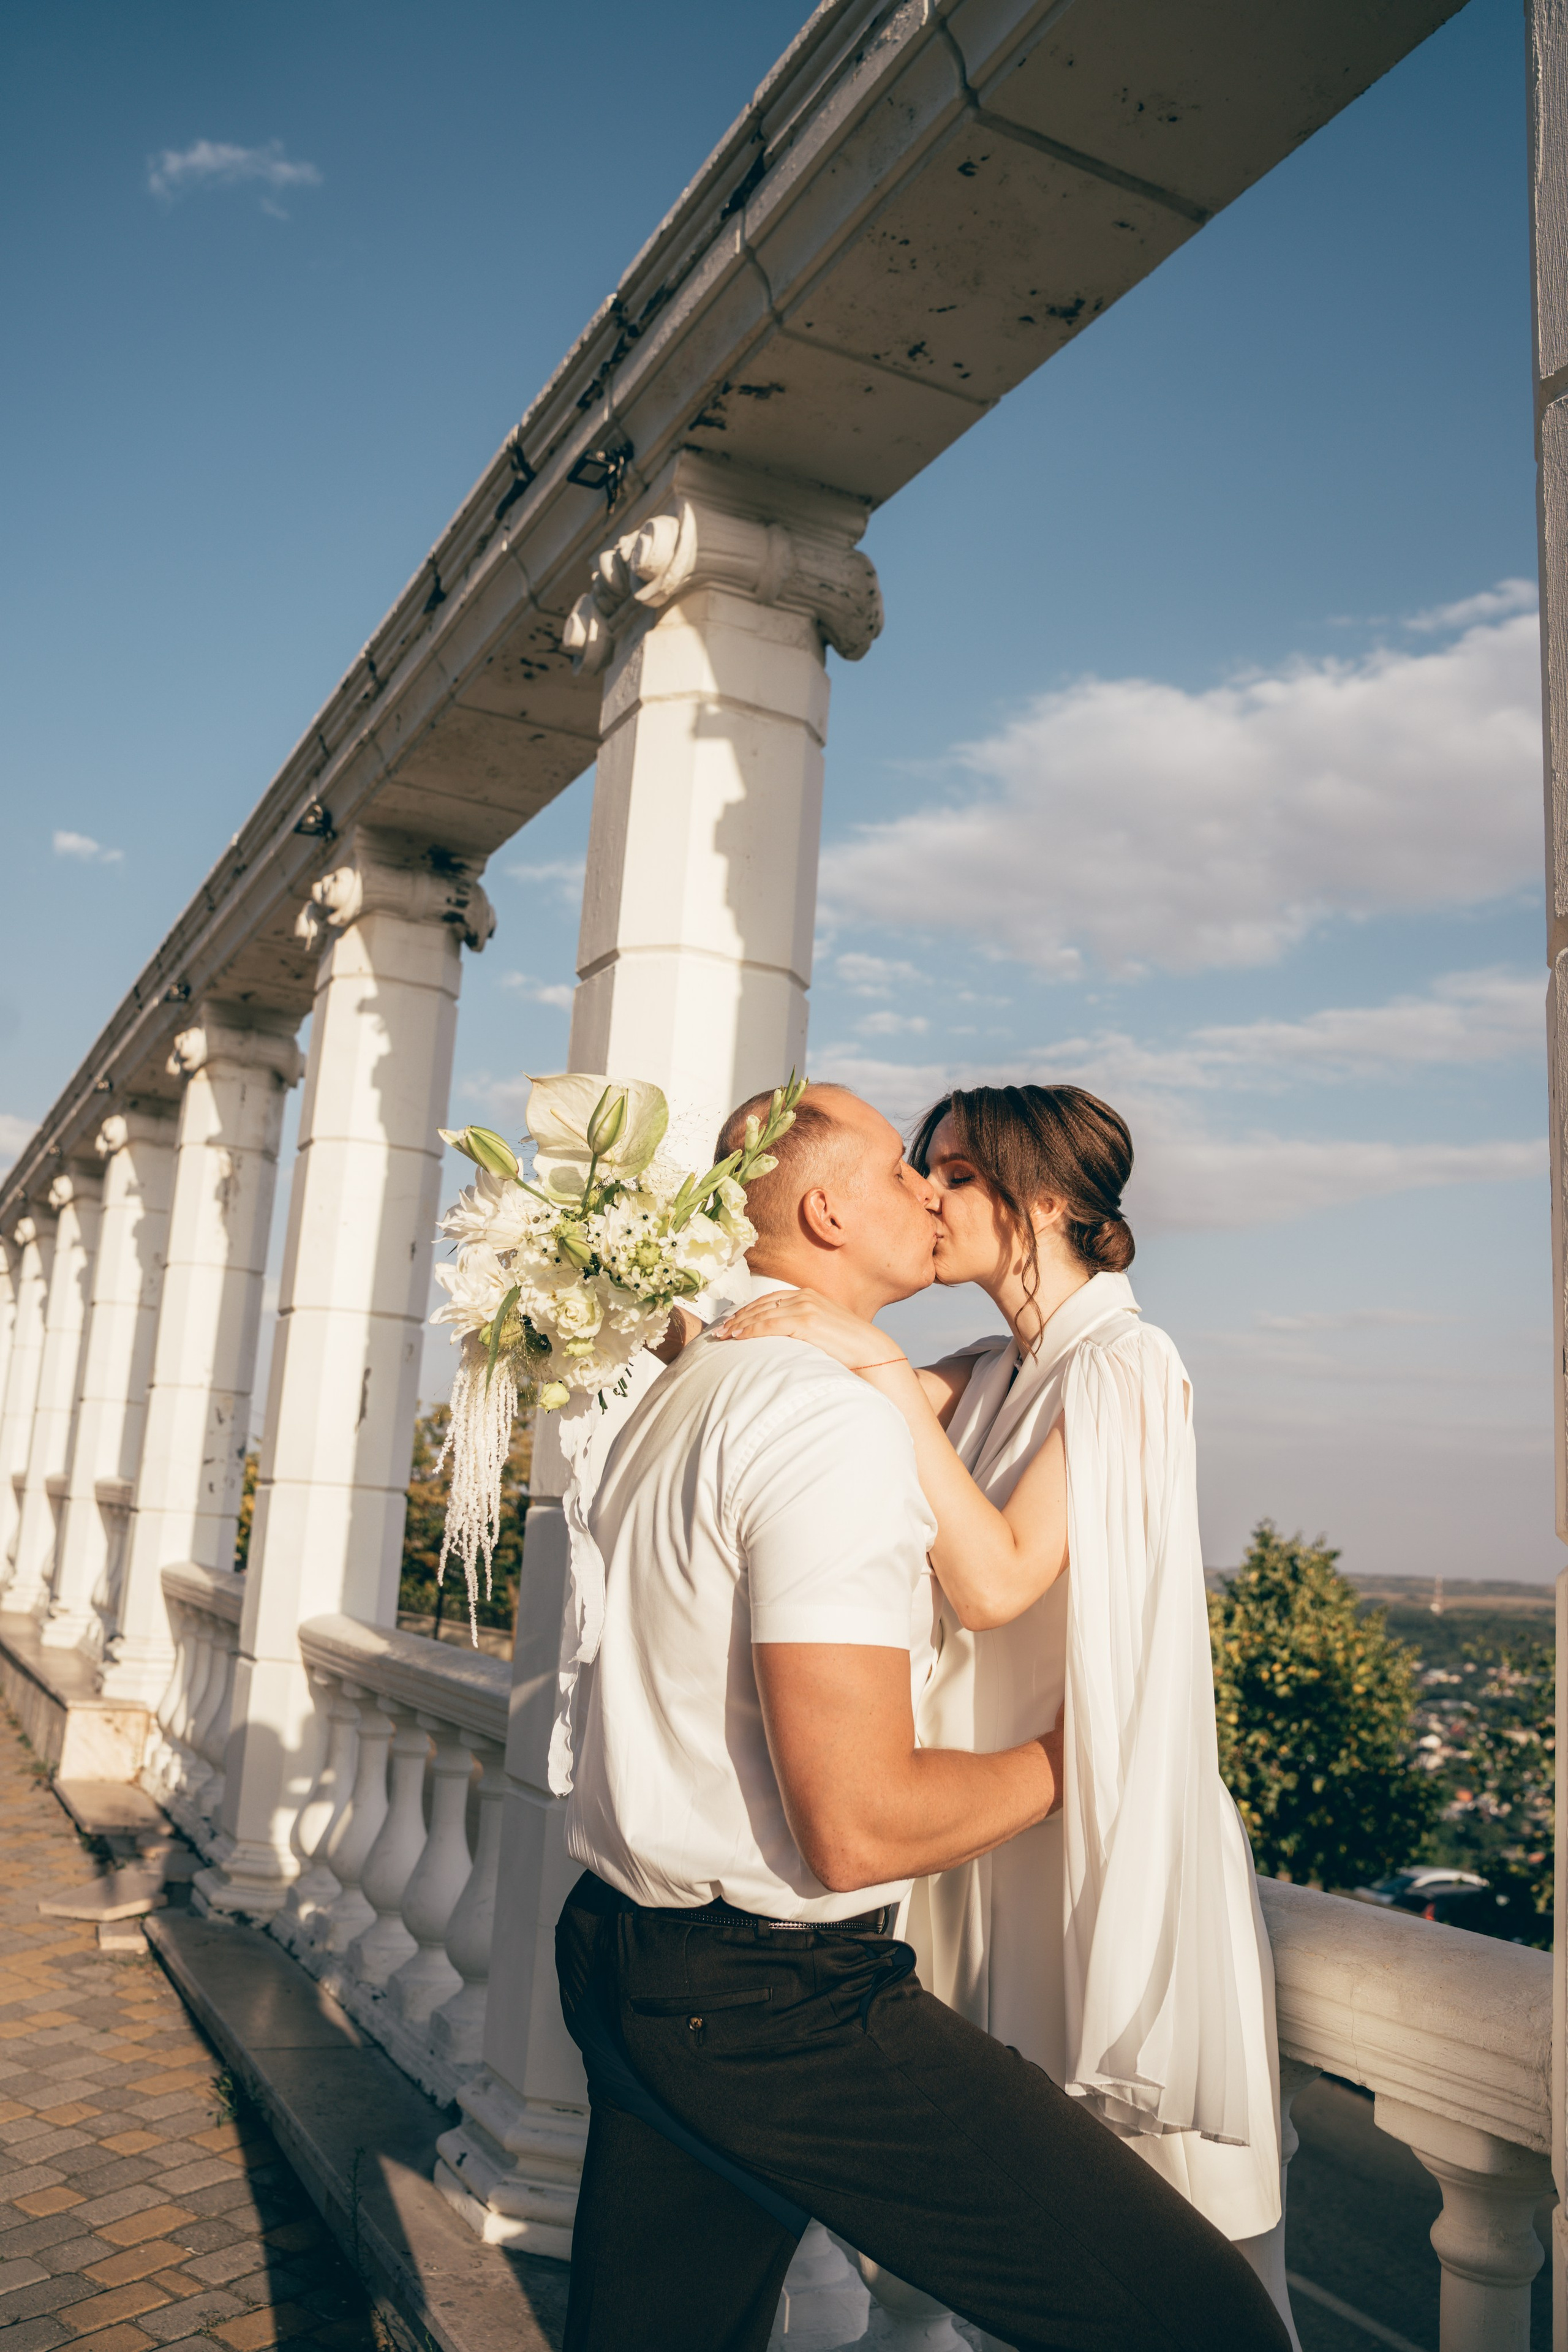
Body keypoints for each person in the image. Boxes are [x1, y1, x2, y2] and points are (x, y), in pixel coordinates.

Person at [554, 1080, 1291, 2352]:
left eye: (952, 1172)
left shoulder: (1123, 1361)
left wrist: (875, 1362)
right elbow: (804, 1382)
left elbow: (994, 1576)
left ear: (1043, 1203)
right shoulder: (995, 1366)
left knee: (1178, 2257)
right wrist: (706, 1327)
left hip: (1065, 1838)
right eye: (915, 1169)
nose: (932, 1195)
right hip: (885, 1877)